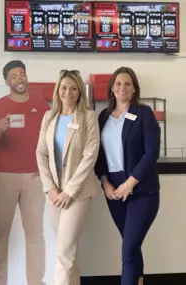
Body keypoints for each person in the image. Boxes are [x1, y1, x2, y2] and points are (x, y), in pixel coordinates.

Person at [0, 60, 50, 285]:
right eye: (13, 76)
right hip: (4, 176)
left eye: (22, 74)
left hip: (35, 177)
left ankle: (36, 282)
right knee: (1, 234)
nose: (19, 79)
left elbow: (50, 141)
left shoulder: (43, 107)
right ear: (6, 81)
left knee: (35, 234)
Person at [95, 67, 161, 285]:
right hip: (113, 192)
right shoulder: (103, 117)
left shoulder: (143, 113)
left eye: (127, 84)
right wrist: (105, 183)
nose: (122, 87)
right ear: (112, 89)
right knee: (130, 245)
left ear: (134, 89)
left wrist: (130, 183)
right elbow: (99, 155)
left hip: (141, 191)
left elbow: (151, 152)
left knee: (128, 249)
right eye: (118, 83)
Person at [36, 69, 100, 285]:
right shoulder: (49, 116)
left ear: (80, 92)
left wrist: (69, 191)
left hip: (78, 193)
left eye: (73, 88)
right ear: (57, 90)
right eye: (64, 88)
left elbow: (90, 155)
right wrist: (50, 188)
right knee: (67, 251)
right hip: (53, 193)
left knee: (64, 252)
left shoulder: (88, 117)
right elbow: (41, 153)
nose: (68, 92)